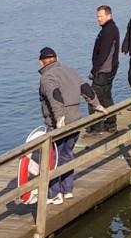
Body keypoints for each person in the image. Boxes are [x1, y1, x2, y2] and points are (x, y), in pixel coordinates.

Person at [37, 46, 92, 204]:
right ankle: (67, 190)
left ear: (41, 63)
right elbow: (87, 89)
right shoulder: (71, 71)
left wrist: (60, 120)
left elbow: (55, 98)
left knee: (53, 158)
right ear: (57, 59)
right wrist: (97, 105)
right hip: (76, 121)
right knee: (67, 154)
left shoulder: (47, 77)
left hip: (58, 125)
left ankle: (54, 194)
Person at [90, 4, 120, 133]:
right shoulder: (109, 29)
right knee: (106, 96)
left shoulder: (109, 31)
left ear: (109, 15)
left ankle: (96, 128)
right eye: (98, 16)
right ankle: (111, 124)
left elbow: (104, 53)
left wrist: (95, 70)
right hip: (109, 69)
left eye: (101, 16)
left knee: (94, 97)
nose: (99, 19)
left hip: (104, 70)